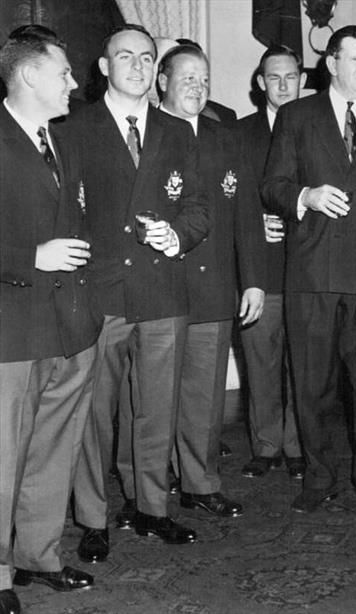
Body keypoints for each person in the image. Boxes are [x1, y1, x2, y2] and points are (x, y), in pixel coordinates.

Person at [69, 23, 209, 563]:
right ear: (103, 67)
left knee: (157, 409)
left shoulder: (177, 132)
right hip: (99, 294)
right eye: (124, 56)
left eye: (147, 57)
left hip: (161, 290)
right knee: (94, 416)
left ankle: (153, 507)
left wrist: (179, 235)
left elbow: (198, 206)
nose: (137, 65)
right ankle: (93, 518)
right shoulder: (74, 127)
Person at [261, 25, 356, 515]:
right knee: (311, 386)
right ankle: (318, 476)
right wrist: (306, 196)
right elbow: (273, 185)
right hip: (313, 276)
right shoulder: (297, 116)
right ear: (331, 64)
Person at [0, 24, 100, 609]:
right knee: (4, 457)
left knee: (52, 451)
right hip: (13, 329)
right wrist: (27, 258)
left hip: (71, 326)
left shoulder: (62, 138)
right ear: (31, 74)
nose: (72, 82)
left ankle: (39, 554)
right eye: (63, 72)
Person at [151, 44, 267, 517]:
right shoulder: (145, 134)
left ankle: (200, 484)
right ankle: (150, 491)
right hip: (157, 291)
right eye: (187, 78)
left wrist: (254, 280)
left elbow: (246, 215)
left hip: (215, 286)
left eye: (204, 79)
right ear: (162, 81)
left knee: (204, 395)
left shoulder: (226, 139)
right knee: (152, 400)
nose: (198, 88)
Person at [238, 44, 307, 480]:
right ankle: (265, 445)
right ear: (261, 83)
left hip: (307, 267)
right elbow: (235, 194)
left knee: (304, 364)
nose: (283, 85)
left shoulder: (321, 125)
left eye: (291, 77)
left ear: (302, 79)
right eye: (274, 78)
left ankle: (300, 445)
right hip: (260, 268)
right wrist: (254, 222)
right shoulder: (240, 134)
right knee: (261, 360)